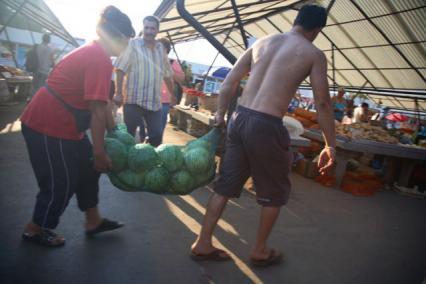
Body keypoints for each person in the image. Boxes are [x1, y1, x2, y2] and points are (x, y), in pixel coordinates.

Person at [190, 4, 336, 267]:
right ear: (317, 30)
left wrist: (221, 115)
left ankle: (202, 242)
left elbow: (228, 83)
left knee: (225, 185)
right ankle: (259, 250)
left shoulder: (262, 42)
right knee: (275, 191)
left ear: (296, 21)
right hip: (266, 125)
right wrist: (330, 144)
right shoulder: (313, 53)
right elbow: (323, 103)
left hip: (240, 117)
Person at [20, 6, 135, 247]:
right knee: (60, 182)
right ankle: (36, 228)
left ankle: (93, 220)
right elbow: (95, 111)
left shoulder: (96, 53)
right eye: (127, 41)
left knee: (88, 169)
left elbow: (102, 105)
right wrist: (99, 151)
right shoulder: (98, 59)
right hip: (47, 125)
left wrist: (115, 132)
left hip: (65, 125)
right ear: (118, 37)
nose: (127, 47)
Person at [114, 16, 173, 147]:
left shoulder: (160, 49)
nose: (149, 31)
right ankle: (127, 163)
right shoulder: (133, 45)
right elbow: (120, 68)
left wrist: (173, 94)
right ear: (143, 28)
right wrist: (118, 93)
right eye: (146, 27)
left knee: (157, 136)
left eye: (152, 28)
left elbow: (168, 75)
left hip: (154, 103)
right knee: (129, 135)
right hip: (134, 100)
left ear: (157, 30)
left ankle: (147, 160)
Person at [158, 38, 185, 134]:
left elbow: (182, 78)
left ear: (167, 50)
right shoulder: (149, 60)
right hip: (148, 98)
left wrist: (168, 70)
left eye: (162, 48)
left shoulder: (172, 63)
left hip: (164, 101)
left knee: (159, 127)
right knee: (144, 127)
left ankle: (157, 145)